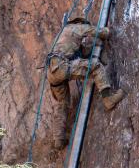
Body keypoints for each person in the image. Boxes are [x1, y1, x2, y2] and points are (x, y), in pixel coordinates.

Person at [48, 16, 125, 148]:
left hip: (51, 72)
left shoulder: (62, 36)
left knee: (62, 103)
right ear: (80, 23)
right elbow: (100, 32)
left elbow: (82, 51)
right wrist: (107, 31)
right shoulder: (77, 27)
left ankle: (58, 139)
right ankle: (108, 99)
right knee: (95, 66)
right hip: (62, 66)